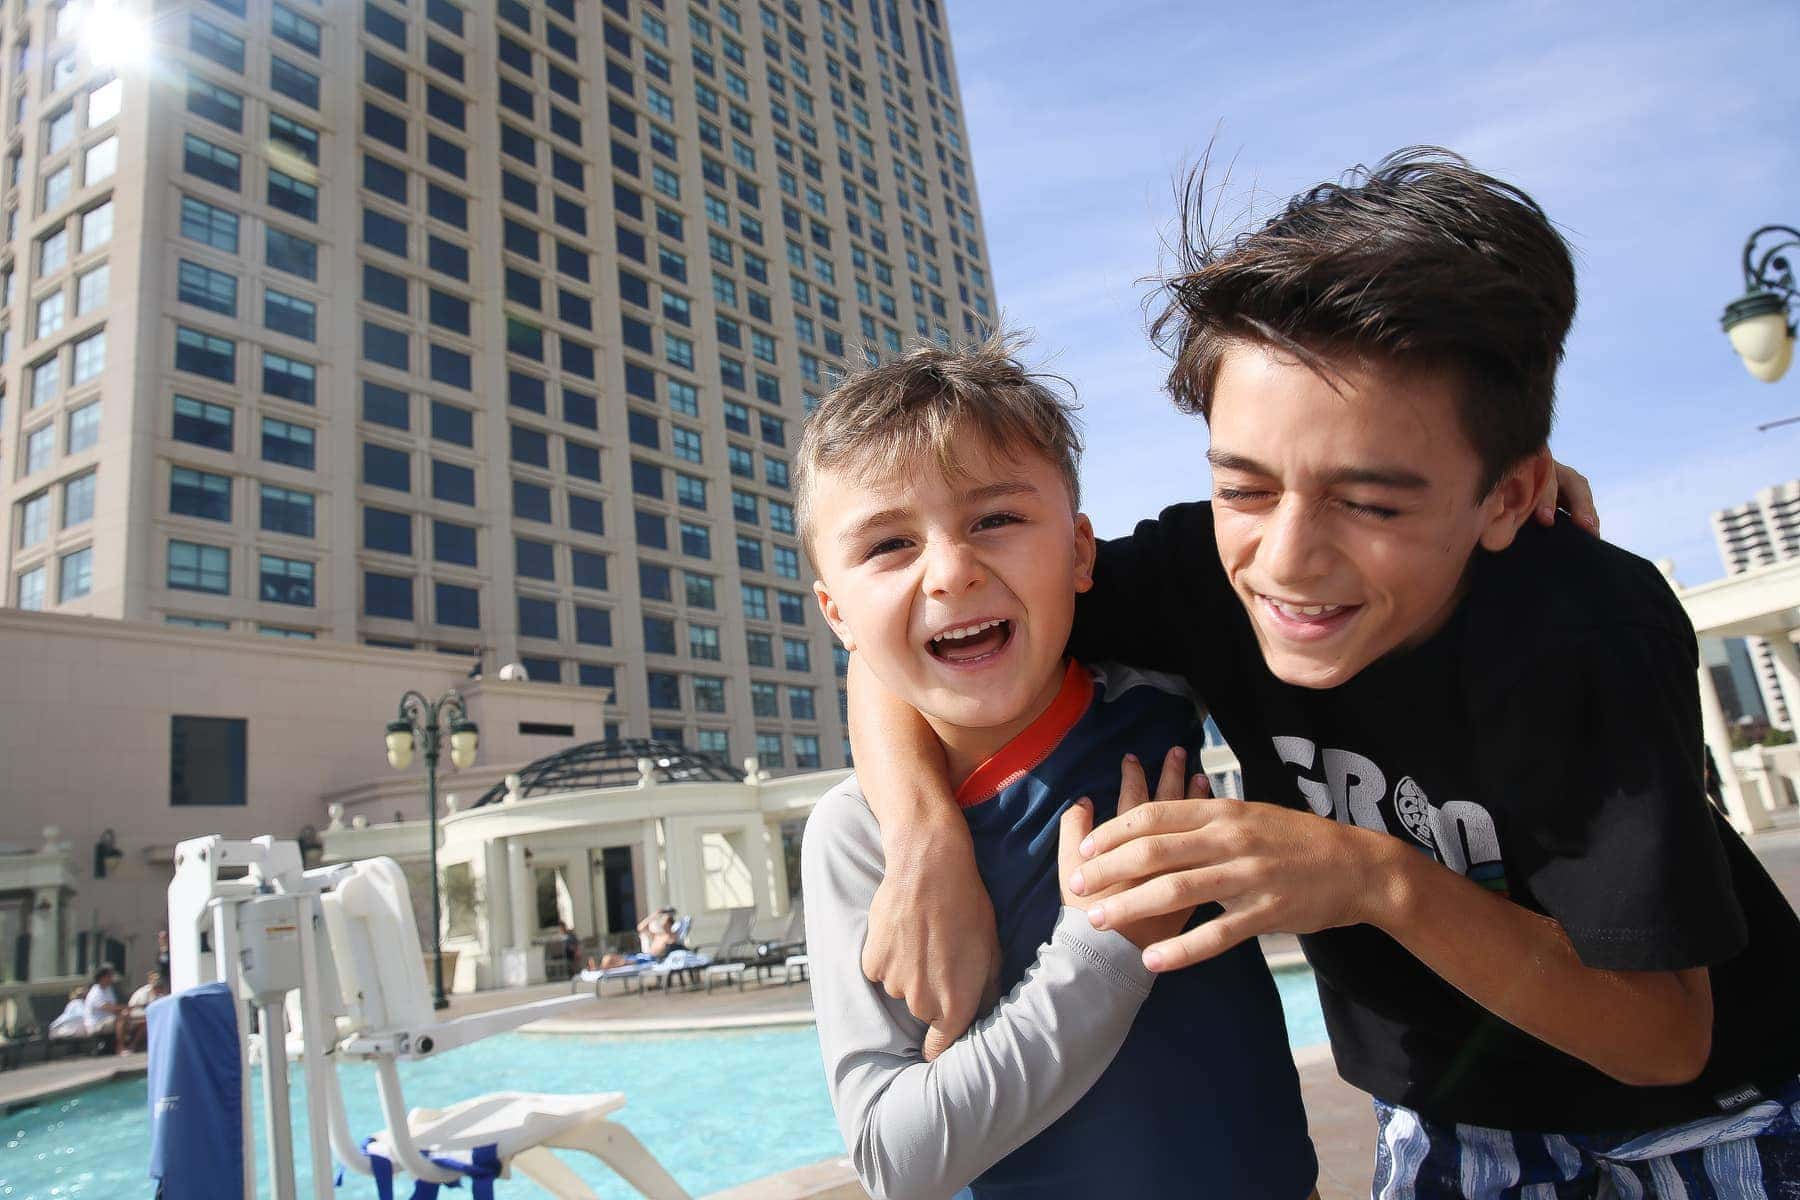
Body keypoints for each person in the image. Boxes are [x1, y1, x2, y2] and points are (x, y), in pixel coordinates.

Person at [851, 149, 1800, 1197]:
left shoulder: (1582, 622)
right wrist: (923, 842)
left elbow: (1665, 1036)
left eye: (1375, 503)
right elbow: (913, 638)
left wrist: (1368, 879)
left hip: (1714, 1120)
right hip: (1447, 1118)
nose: (1290, 561)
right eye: (1244, 486)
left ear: (1505, 496)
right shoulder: (1201, 571)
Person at [798, 337, 1318, 1197]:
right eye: (889, 544)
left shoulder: (1159, 700)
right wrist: (1102, 950)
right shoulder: (856, 838)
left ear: (1083, 553)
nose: (953, 572)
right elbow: (894, 1159)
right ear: (836, 614)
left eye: (996, 519)